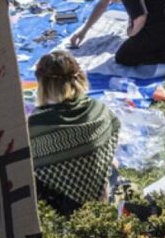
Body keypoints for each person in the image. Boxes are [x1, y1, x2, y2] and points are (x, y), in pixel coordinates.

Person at [27, 50, 121, 215]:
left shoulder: (37, 124)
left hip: (70, 207)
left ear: (43, 85)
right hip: (104, 188)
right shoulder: (97, 108)